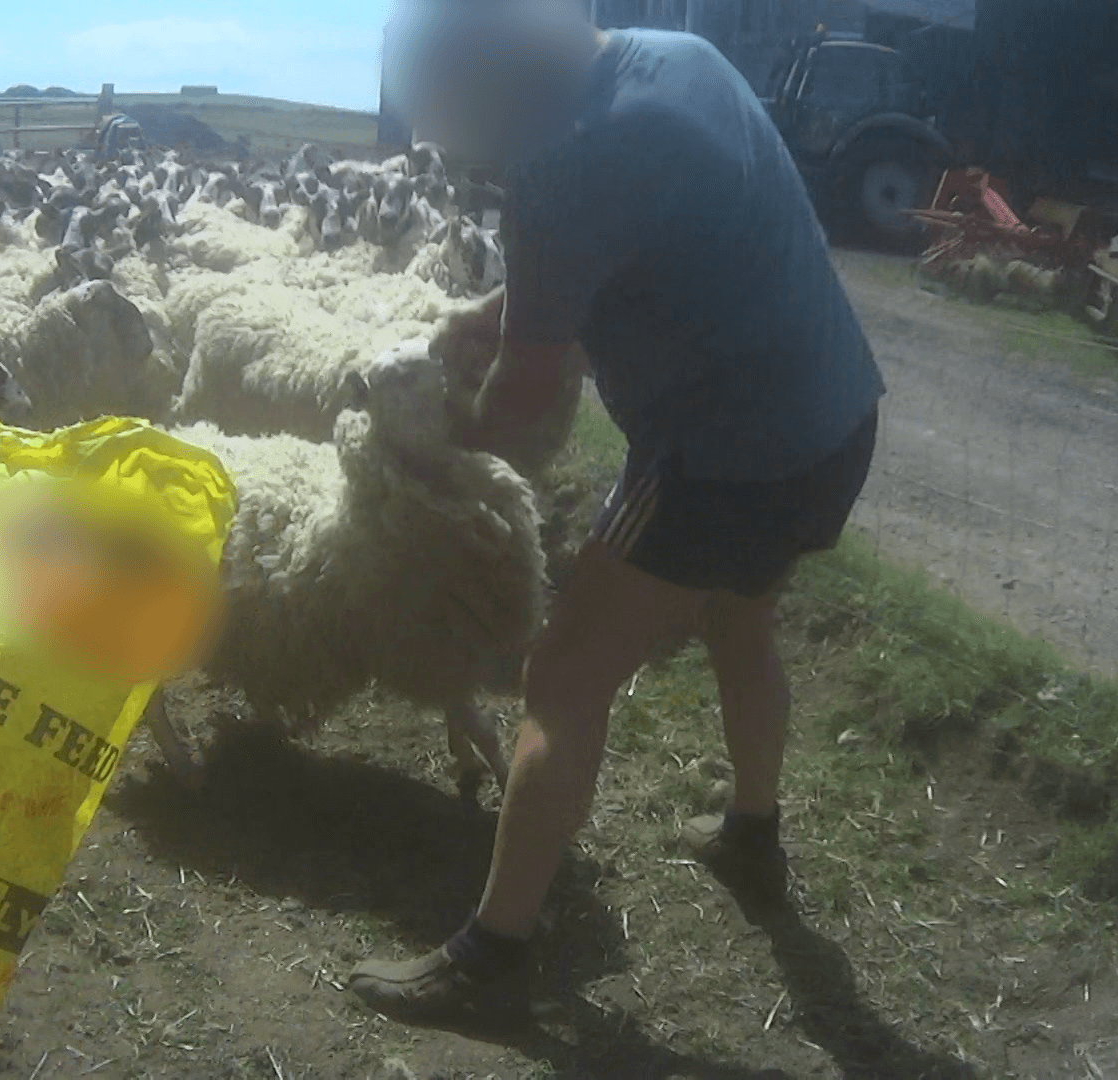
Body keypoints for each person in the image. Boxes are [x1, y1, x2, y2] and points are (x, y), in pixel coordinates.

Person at [347, 0, 885, 1017]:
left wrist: (434, 436)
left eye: (443, 110)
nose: (450, 140)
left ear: (480, 82)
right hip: (834, 420)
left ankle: (492, 954)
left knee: (561, 677)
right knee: (740, 619)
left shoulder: (556, 164)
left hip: (721, 454)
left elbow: (517, 408)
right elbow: (622, 237)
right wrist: (499, 312)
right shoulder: (676, 57)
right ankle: (753, 838)